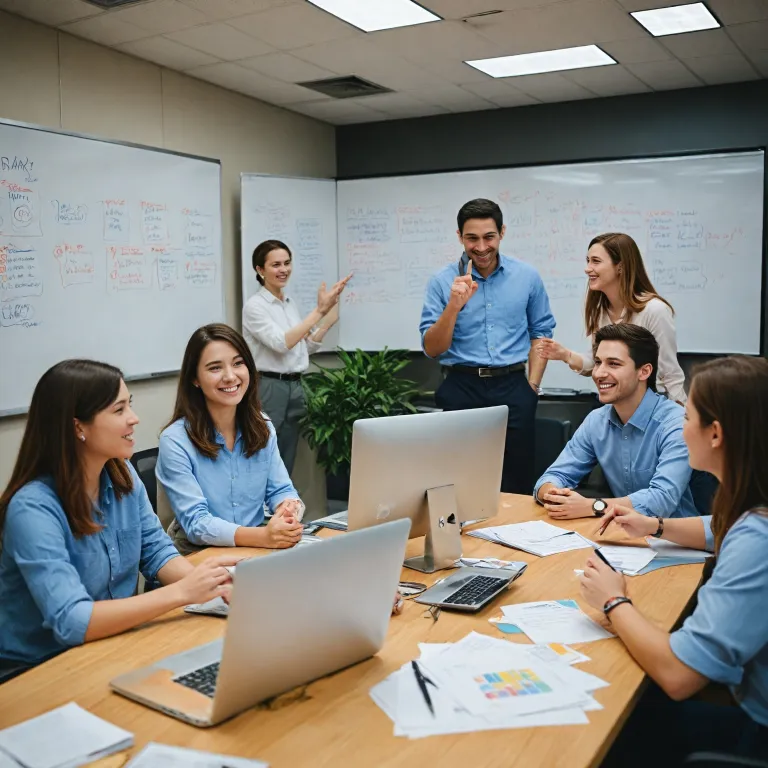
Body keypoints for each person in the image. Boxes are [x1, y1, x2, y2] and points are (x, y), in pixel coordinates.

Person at [580, 355, 768, 764]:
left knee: (610, 715)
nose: (681, 428)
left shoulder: (757, 541)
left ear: (714, 434)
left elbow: (679, 676)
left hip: (757, 733)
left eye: (688, 417)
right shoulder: (755, 510)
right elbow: (717, 529)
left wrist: (614, 601)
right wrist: (655, 526)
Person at [0, 360, 238, 681]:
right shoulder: (33, 508)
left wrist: (213, 586)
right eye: (119, 410)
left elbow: (157, 554)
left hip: (113, 643)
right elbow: (72, 621)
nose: (134, 418)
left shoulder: (122, 474)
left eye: (131, 406)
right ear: (77, 427)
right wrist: (184, 593)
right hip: (41, 668)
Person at [419, 198, 555, 494]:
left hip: (514, 387)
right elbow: (432, 348)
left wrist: (532, 386)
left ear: (502, 233)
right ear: (460, 237)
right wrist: (454, 306)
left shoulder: (527, 277)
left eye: (488, 237)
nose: (481, 247)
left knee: (517, 479)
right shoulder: (442, 282)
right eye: (472, 238)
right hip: (461, 385)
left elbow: (541, 332)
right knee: (457, 479)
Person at [156, 323, 305, 556]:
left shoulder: (261, 425)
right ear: (195, 378)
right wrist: (264, 537)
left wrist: (288, 509)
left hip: (255, 547)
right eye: (215, 368)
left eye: (238, 363)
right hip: (199, 553)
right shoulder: (175, 440)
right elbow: (197, 524)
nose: (230, 376)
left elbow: (282, 489)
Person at [534, 323, 697, 520]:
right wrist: (553, 493)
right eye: (597, 362)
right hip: (622, 536)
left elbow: (661, 501)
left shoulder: (675, 423)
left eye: (613, 364)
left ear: (644, 372)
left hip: (674, 541)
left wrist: (592, 506)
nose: (599, 373)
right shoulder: (597, 420)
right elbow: (554, 476)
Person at [242, 239, 351, 475]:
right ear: (260, 271)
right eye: (276, 265)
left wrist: (328, 321)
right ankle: (262, 510)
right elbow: (282, 344)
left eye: (287, 263)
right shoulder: (255, 306)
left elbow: (302, 349)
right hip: (269, 386)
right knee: (264, 452)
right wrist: (319, 311)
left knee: (287, 454)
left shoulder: (289, 303)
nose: (284, 270)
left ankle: (282, 507)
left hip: (295, 386)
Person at [538, 232, 687, 404]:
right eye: (588, 261)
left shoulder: (655, 310)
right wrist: (565, 355)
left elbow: (670, 374)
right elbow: (596, 363)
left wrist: (683, 419)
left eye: (596, 261)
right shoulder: (601, 311)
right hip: (616, 405)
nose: (587, 268)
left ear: (620, 267)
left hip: (651, 406)